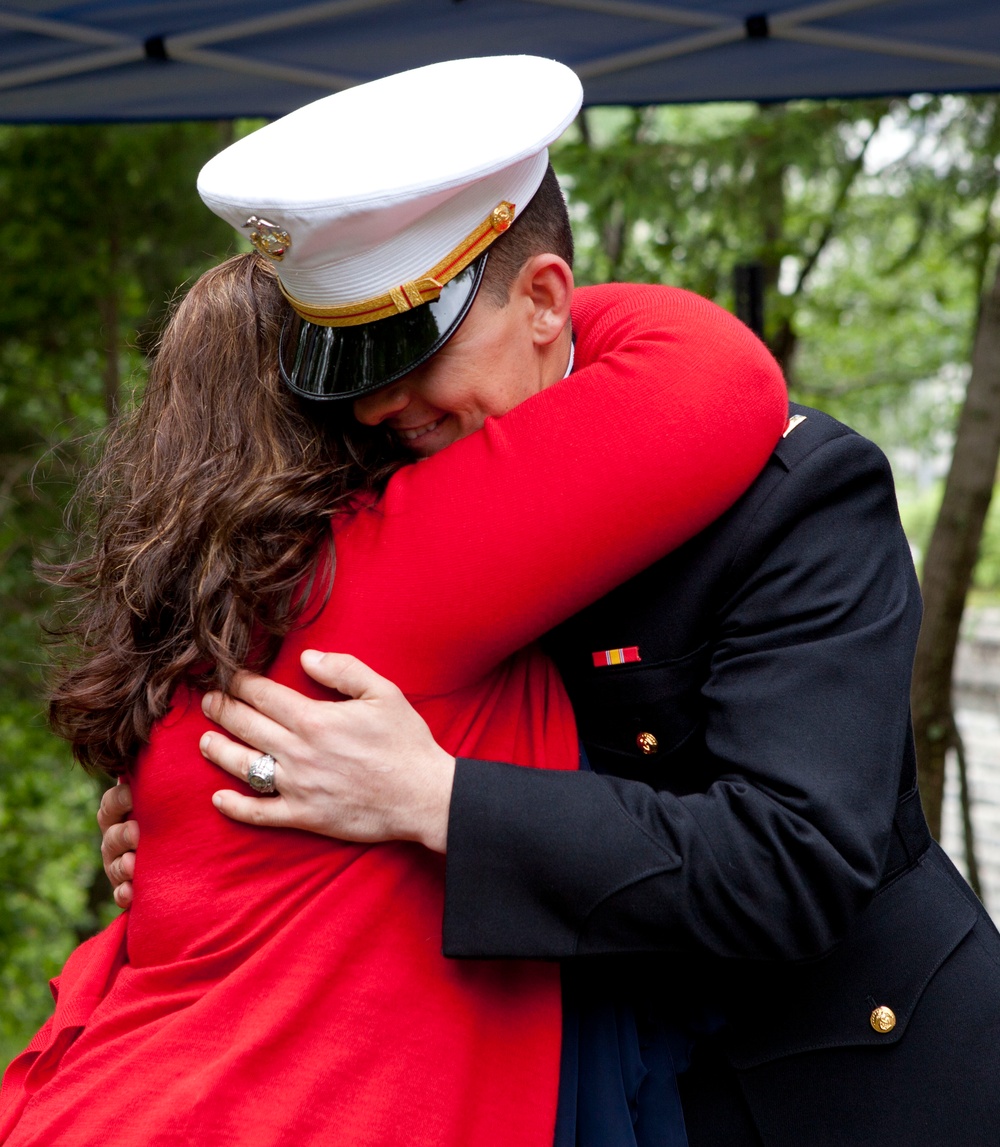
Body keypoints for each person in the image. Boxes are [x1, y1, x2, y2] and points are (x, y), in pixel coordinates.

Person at [105, 69, 1000, 1147]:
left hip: (838, 1078)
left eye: (415, 347)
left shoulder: (797, 493)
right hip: (582, 1072)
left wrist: (436, 797)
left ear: (542, 297)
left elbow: (792, 865)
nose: (383, 403)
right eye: (355, 367)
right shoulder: (407, 485)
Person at [1, 57, 789, 1147]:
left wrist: (493, 301)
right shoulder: (375, 581)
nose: (377, 401)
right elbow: (712, 374)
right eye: (347, 359)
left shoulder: (218, 619)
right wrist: (509, 305)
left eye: (392, 346)